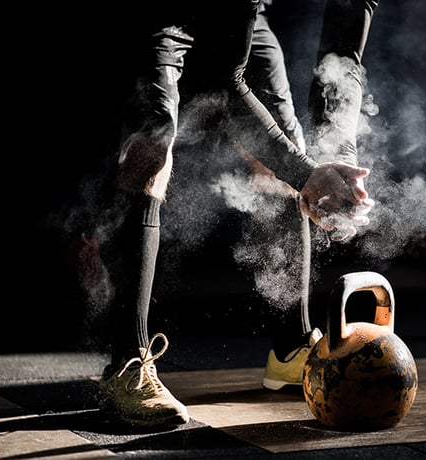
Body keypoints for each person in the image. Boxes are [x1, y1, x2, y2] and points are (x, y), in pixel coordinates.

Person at [96, 0, 380, 428]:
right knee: (153, 138)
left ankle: (291, 348)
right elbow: (223, 87)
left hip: (237, 14)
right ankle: (127, 364)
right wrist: (306, 174)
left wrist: (338, 157)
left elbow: (343, 58)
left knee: (286, 140)